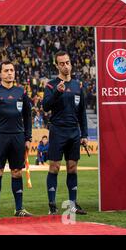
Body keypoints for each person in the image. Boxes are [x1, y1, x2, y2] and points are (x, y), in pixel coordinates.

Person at [0, 61, 33, 219]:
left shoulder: (21, 92)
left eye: (12, 70)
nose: (9, 73)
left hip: (18, 137)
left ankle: (19, 208)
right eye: (6, 70)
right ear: (0, 74)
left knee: (17, 172)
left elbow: (27, 116)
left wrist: (28, 137)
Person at [43, 50, 88, 215]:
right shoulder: (50, 85)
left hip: (74, 132)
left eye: (67, 62)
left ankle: (72, 204)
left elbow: (82, 112)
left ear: (71, 63)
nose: (65, 66)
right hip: (58, 130)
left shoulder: (78, 85)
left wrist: (84, 135)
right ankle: (52, 205)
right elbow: (45, 106)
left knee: (72, 167)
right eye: (61, 63)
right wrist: (57, 92)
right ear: (56, 65)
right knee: (54, 167)